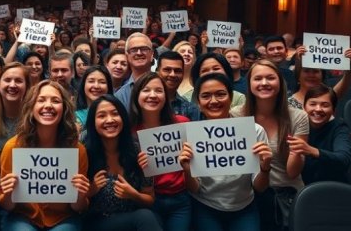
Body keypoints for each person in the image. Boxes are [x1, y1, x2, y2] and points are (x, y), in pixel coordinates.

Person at [179, 73, 272, 231]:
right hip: (205, 206)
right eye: (206, 96)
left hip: (245, 207)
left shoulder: (254, 131)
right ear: (198, 103)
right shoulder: (190, 136)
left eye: (221, 94)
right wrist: (187, 170)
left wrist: (265, 168)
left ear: (231, 98)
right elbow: (194, 188)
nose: (214, 101)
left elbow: (260, 187)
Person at [0, 80, 89, 231]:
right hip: (22, 217)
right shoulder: (13, 147)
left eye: (55, 101)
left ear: (64, 108)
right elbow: (5, 205)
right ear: (31, 107)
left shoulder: (77, 150)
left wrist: (80, 194)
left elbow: (79, 207)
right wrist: (8, 194)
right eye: (41, 100)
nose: (48, 105)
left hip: (63, 219)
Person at [231, 60, 309, 231]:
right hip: (251, 197)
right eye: (258, 78)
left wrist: (295, 150)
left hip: (286, 196)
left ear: (280, 82)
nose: (264, 83)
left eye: (270, 78)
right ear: (249, 83)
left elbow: (293, 172)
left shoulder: (299, 117)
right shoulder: (235, 115)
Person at [83, 94, 162, 231]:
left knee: (148, 216)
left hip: (134, 219)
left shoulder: (138, 150)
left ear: (123, 118)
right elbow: (75, 203)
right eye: (102, 116)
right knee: (145, 217)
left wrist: (133, 195)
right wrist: (91, 190)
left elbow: (150, 200)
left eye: (115, 114)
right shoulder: (85, 151)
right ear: (93, 122)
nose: (109, 120)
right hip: (98, 222)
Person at [130, 72, 191, 231]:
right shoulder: (129, 132)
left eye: (158, 90)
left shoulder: (182, 124)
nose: (152, 95)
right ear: (136, 95)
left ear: (166, 96)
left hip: (181, 200)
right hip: (149, 200)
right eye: (146, 90)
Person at [291, 84, 351, 184]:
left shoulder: (339, 127)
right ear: (304, 107)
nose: (318, 109)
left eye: (325, 105)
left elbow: (343, 159)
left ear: (334, 110)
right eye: (313, 104)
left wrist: (312, 151)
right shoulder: (296, 125)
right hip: (300, 188)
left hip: (333, 187)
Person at [0, 62, 30, 149]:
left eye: (18, 81)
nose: (12, 85)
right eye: (7, 80)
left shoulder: (34, 119)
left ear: (27, 86)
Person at [155, 51, 201, 121]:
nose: (172, 74)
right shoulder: (145, 103)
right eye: (167, 70)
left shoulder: (191, 109)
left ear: (183, 74)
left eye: (177, 71)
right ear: (157, 72)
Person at [115, 32, 155, 109]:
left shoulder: (166, 87)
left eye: (144, 49)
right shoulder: (120, 96)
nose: (139, 53)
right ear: (127, 56)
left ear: (152, 54)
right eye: (134, 50)